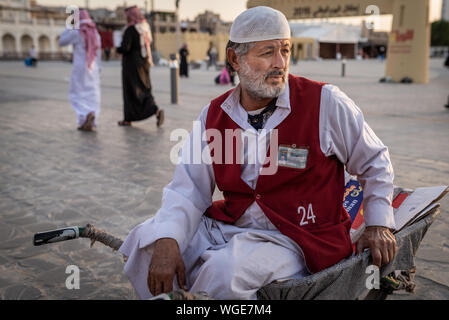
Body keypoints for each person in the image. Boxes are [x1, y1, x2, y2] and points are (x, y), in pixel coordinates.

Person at [119, 6, 397, 300]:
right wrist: (168, 237)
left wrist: (378, 223)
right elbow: (187, 189)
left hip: (297, 238)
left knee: (224, 274)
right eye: (267, 52)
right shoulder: (214, 115)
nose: (280, 63)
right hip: (232, 226)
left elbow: (374, 160)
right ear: (234, 59)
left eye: (285, 51)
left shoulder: (325, 102)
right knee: (147, 245)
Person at [116, 6, 164, 127]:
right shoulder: (145, 27)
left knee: (131, 91)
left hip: (132, 65)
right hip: (145, 62)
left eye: (128, 16)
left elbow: (125, 48)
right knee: (145, 88)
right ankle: (155, 110)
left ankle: (129, 118)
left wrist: (117, 47)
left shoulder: (131, 29)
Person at [58, 9, 101, 131]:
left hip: (81, 68)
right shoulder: (95, 33)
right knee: (93, 94)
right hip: (94, 68)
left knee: (77, 94)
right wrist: (100, 69)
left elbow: (61, 42)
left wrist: (70, 25)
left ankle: (85, 115)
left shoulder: (76, 32)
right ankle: (90, 117)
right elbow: (99, 54)